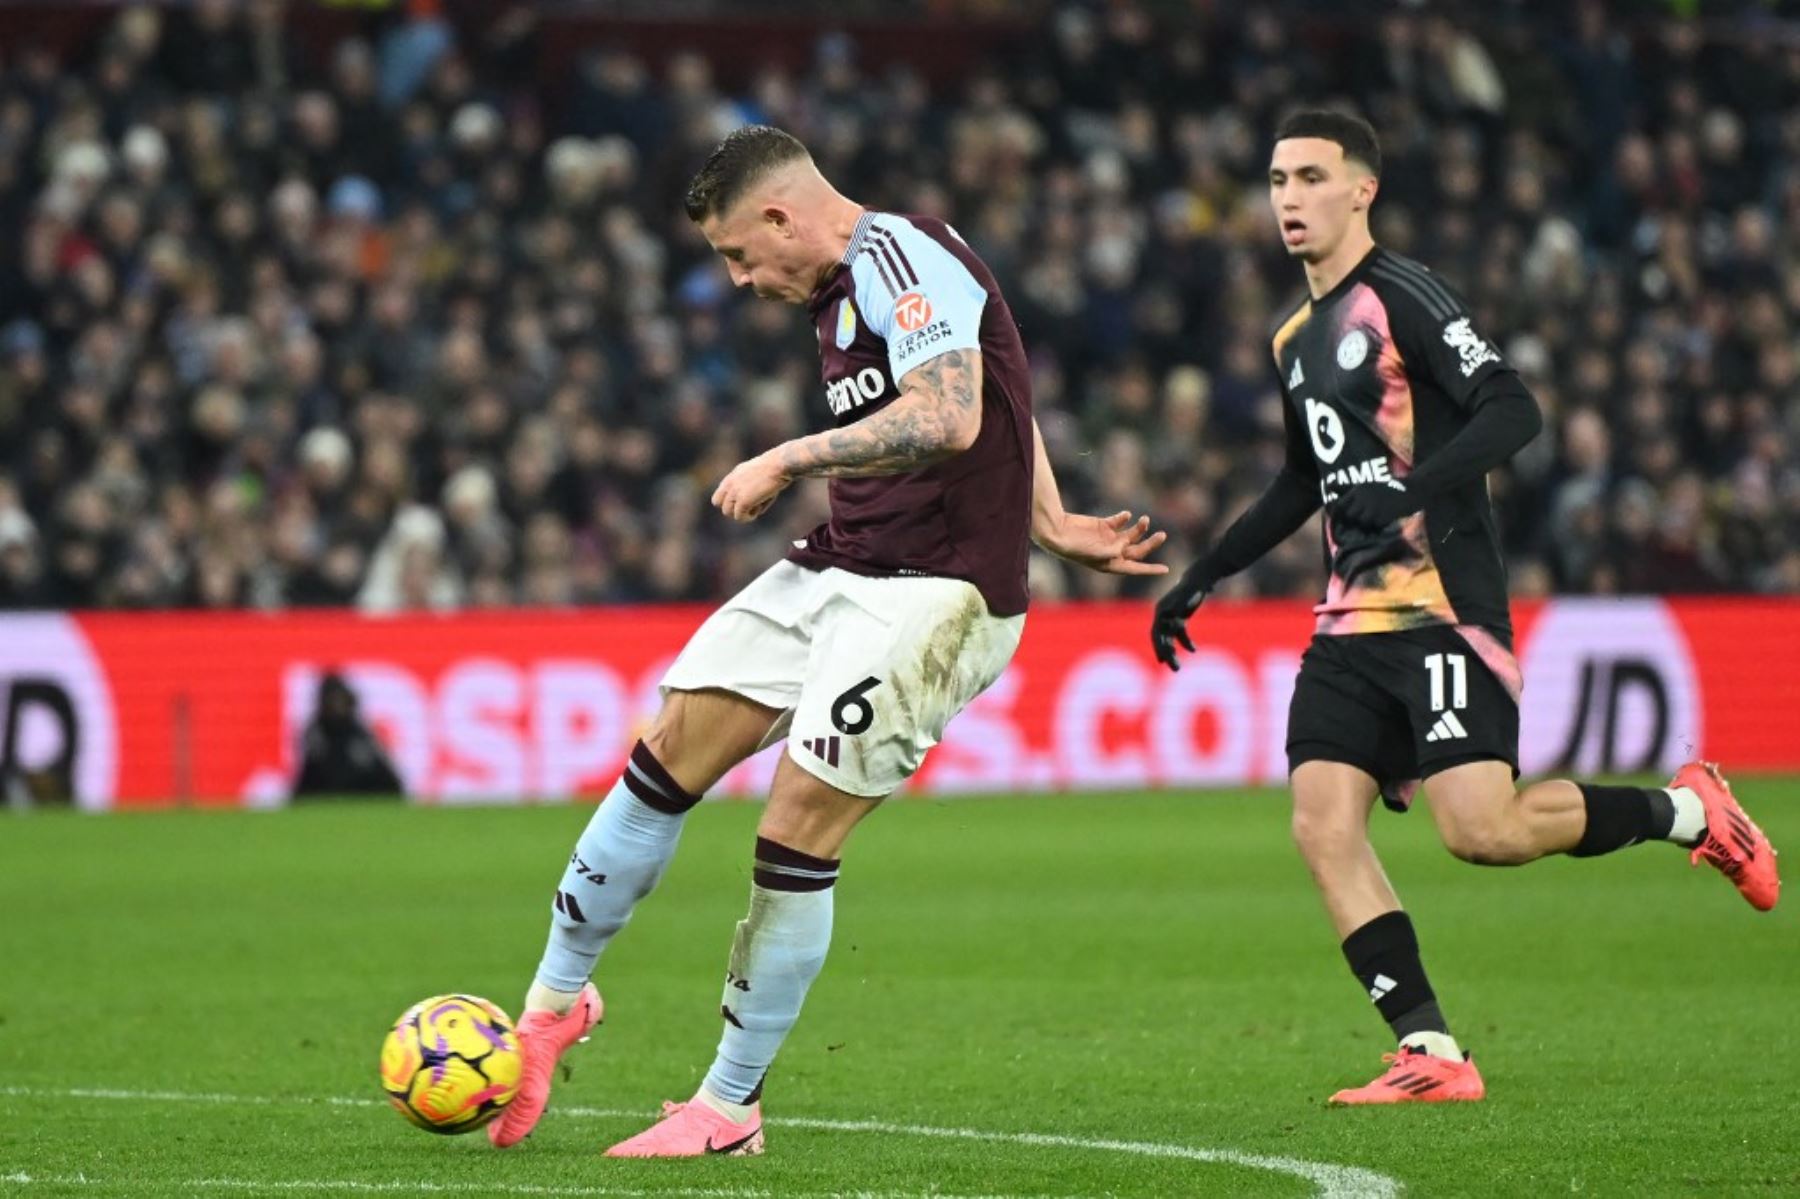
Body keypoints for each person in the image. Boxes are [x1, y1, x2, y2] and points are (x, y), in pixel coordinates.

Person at [487, 125, 1167, 1157]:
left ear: (779, 214)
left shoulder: (901, 255)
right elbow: (1002, 384)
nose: (738, 278)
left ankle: (727, 1106)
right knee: (666, 750)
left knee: (795, 827)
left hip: (938, 595)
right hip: (843, 564)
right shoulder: (841, 290)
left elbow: (951, 412)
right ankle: (550, 1006)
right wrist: (1054, 519)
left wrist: (787, 455)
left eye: (737, 253)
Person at [1150, 109, 1780, 1106]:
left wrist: (1418, 485)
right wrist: (1203, 572)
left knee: (1481, 830)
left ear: (1363, 189)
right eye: (1276, 180)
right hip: (1348, 621)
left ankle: (1695, 811)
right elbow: (1296, 479)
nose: (1288, 199)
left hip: (1442, 607)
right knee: (1321, 824)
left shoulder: (1402, 295)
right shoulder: (1294, 337)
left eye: (1311, 177)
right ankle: (1430, 1047)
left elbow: (1514, 407)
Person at [290, 672, 404, 799]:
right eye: (332, 701)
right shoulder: (315, 734)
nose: (337, 707)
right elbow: (309, 775)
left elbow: (387, 779)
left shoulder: (360, 735)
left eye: (340, 701)